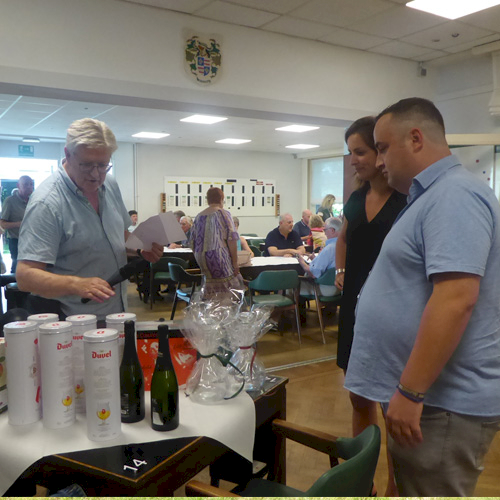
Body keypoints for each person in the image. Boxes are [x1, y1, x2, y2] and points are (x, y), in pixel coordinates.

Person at [345, 98, 500, 497]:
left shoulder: (455, 195)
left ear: (415, 139)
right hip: (428, 399)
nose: (379, 161)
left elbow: (456, 298)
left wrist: (411, 391)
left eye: (382, 148)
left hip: (442, 403)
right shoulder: (430, 196)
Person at [16, 118, 162, 320]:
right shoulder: (47, 203)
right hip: (72, 320)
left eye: (103, 165)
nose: (96, 175)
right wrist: (76, 284)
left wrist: (140, 247)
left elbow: (119, 235)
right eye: (86, 165)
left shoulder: (109, 184)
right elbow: (25, 276)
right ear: (68, 155)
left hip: (116, 311)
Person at [335, 115, 406, 496]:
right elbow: (344, 238)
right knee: (357, 395)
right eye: (351, 153)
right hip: (355, 305)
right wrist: (340, 269)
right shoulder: (356, 198)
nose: (353, 160)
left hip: (390, 308)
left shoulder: (406, 200)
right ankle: (362, 483)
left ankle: (396, 487)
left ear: (380, 153)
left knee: (390, 406)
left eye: (360, 151)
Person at [189, 187, 244, 301]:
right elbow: (232, 238)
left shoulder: (199, 216)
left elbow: (192, 241)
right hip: (218, 256)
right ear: (221, 198)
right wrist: (235, 263)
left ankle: (209, 309)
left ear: (208, 199)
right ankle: (225, 311)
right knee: (230, 288)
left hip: (200, 257)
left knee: (210, 289)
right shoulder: (223, 214)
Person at [298, 216, 341, 297]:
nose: (324, 233)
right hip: (340, 289)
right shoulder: (345, 246)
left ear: (332, 230)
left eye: (325, 230)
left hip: (324, 289)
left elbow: (313, 273)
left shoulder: (328, 249)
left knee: (291, 286)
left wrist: (301, 261)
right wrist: (316, 259)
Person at [0, 175, 34, 273]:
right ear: (18, 185)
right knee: (17, 269)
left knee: (31, 269)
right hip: (16, 241)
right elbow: (2, 224)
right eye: (26, 184)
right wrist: (21, 224)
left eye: (31, 184)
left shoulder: (34, 201)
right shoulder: (10, 201)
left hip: (32, 241)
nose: (29, 187)